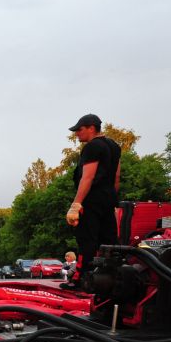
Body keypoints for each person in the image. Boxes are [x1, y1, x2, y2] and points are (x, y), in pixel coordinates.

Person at [63, 114, 122, 289]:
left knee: (86, 239)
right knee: (108, 240)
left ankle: (82, 279)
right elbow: (116, 176)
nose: (76, 134)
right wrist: (112, 199)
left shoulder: (93, 146)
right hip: (108, 197)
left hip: (92, 198)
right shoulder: (114, 146)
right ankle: (111, 280)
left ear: (91, 128)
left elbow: (87, 177)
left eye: (79, 130)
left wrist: (76, 204)